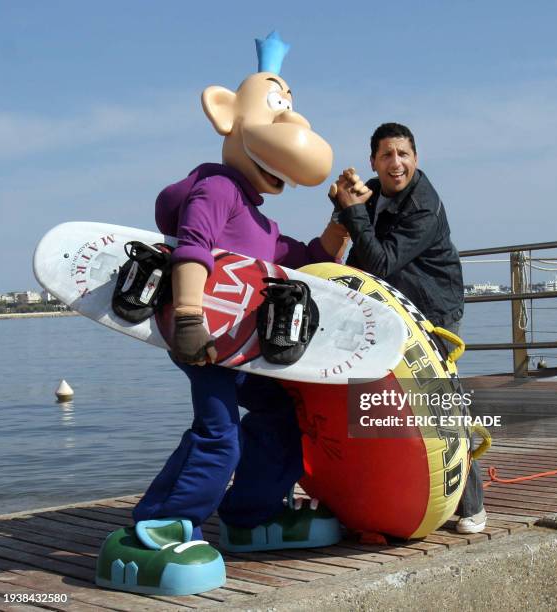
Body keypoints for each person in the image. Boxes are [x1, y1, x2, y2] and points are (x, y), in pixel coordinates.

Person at [97, 33, 348, 597]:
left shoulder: (260, 220)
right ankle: (154, 531)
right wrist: (188, 317)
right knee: (218, 434)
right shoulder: (215, 187)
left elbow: (299, 263)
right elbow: (193, 245)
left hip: (244, 344)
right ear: (225, 114)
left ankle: (250, 515)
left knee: (280, 418)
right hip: (203, 334)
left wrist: (341, 220)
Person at [331, 122, 486, 534]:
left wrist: (353, 211)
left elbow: (380, 261)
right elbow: (353, 236)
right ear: (374, 162)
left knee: (441, 406)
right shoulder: (373, 189)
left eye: (402, 154)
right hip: (390, 310)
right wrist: (342, 200)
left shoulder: (423, 205)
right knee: (372, 401)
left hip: (434, 310)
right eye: (386, 155)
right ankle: (377, 498)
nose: (395, 163)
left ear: (416, 159)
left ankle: (472, 504)